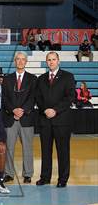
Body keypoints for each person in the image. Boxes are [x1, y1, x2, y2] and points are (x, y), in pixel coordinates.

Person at [36, 52, 75, 188]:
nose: (51, 62)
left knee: (63, 151)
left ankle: (62, 179)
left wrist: (55, 110)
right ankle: (45, 177)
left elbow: (70, 97)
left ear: (58, 61)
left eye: (53, 59)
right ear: (46, 62)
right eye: (49, 60)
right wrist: (45, 109)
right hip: (45, 120)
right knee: (45, 151)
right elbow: (38, 97)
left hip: (61, 121)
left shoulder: (68, 77)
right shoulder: (41, 78)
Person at [1, 52, 37, 183]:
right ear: (15, 61)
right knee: (8, 147)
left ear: (26, 62)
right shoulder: (7, 79)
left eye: (23, 59)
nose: (20, 62)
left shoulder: (33, 79)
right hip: (10, 118)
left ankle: (28, 174)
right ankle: (8, 173)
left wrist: (23, 110)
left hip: (26, 118)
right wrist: (13, 110)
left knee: (27, 147)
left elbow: (33, 97)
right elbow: (4, 98)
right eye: (18, 59)